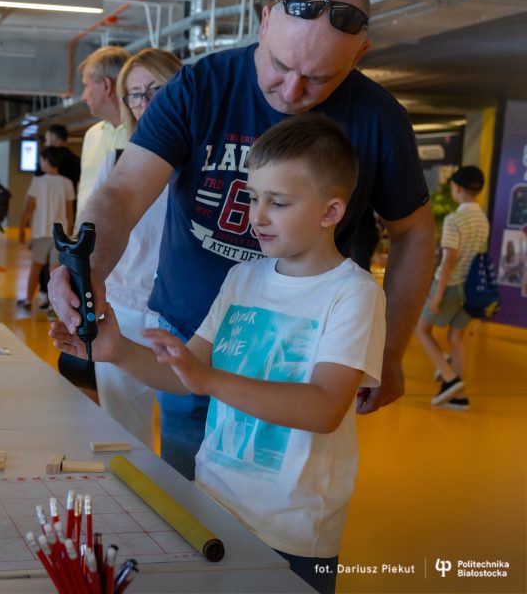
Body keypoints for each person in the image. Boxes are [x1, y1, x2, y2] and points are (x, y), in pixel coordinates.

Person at [50, 0, 435, 480]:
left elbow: (414, 231)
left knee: (275, 493)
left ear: (360, 55)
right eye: (279, 65)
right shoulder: (198, 88)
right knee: (195, 494)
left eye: (319, 78)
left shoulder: (379, 119)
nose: (292, 90)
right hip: (192, 332)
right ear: (264, 20)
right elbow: (123, 191)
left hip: (297, 359)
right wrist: (86, 269)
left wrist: (389, 352)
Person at [52, 114, 386, 594]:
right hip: (212, 503)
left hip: (291, 530)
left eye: (279, 202)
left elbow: (324, 407)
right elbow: (186, 372)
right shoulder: (243, 278)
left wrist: (209, 381)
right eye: (253, 197)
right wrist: (117, 350)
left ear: (331, 212)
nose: (258, 216)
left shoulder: (352, 293)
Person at [90, 48, 181, 449]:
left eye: (156, 89)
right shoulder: (117, 162)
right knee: (122, 431)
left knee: (188, 433)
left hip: (186, 316)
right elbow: (92, 233)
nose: (145, 103)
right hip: (124, 308)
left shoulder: (204, 165)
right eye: (135, 94)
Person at [414, 165, 489, 410]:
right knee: (456, 338)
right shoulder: (482, 219)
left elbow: (449, 260)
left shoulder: (454, 219)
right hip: (471, 289)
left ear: (456, 188)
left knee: (422, 330)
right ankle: (458, 396)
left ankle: (449, 379)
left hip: (451, 285)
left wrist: (437, 294)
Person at [16, 146, 75, 313]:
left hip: (41, 233)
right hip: (59, 235)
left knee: (35, 269)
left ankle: (27, 301)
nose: (40, 163)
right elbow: (70, 213)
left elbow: (29, 208)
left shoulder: (38, 181)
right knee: (55, 273)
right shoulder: (67, 183)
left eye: (41, 160)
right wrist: (68, 234)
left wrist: (22, 229)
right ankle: (53, 306)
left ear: (46, 161)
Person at [76, 46, 130, 215]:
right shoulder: (92, 134)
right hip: (87, 238)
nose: (83, 96)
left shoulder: (143, 136)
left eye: (86, 86)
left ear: (106, 85)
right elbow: (85, 192)